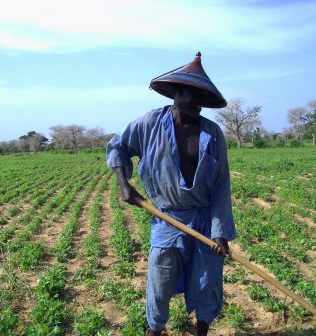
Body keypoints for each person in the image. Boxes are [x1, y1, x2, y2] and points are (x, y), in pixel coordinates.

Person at [106, 52, 236, 336]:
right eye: (193, 96)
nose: (199, 103)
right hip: (166, 219)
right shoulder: (148, 124)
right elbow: (117, 147)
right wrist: (123, 184)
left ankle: (202, 329)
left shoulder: (213, 134)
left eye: (203, 98)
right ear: (177, 92)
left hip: (203, 220)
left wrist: (220, 232)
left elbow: (221, 185)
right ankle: (155, 330)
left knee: (207, 280)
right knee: (160, 281)